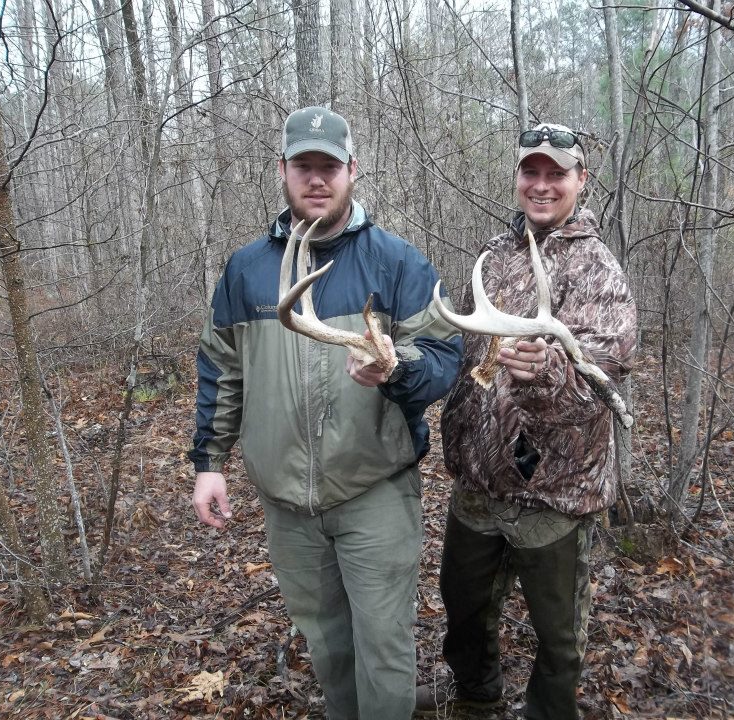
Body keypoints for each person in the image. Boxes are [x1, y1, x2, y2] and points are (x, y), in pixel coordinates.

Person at [189, 106, 462, 720]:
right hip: (287, 501)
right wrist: (210, 462)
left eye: (329, 168)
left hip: (375, 490)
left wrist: (397, 370)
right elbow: (221, 369)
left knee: (384, 648)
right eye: (303, 167)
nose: (317, 179)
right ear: (282, 170)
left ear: (352, 171)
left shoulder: (396, 262)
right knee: (328, 645)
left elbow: (444, 356)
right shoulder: (246, 269)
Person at [416, 123, 637, 719]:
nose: (541, 186)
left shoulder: (599, 271)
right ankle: (476, 700)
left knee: (557, 638)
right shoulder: (496, 255)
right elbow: (467, 356)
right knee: (463, 610)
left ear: (580, 181)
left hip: (555, 494)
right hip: (481, 486)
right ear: (517, 177)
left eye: (556, 174)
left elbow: (601, 381)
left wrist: (547, 374)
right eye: (530, 172)